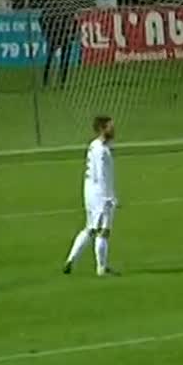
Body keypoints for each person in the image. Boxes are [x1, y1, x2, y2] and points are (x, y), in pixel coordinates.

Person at [64, 115, 119, 275]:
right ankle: (101, 268)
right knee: (103, 231)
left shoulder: (94, 146)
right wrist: (109, 198)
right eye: (110, 126)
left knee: (90, 229)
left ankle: (71, 260)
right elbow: (101, 174)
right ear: (102, 128)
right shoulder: (101, 150)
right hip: (100, 195)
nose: (113, 129)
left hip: (89, 193)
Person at [41, 0, 78, 88]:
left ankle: (63, 81)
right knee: (50, 58)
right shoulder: (51, 4)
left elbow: (75, 20)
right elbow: (42, 19)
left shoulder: (70, 4)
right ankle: (45, 80)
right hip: (54, 35)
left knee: (65, 59)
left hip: (65, 34)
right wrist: (47, 32)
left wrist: (73, 33)